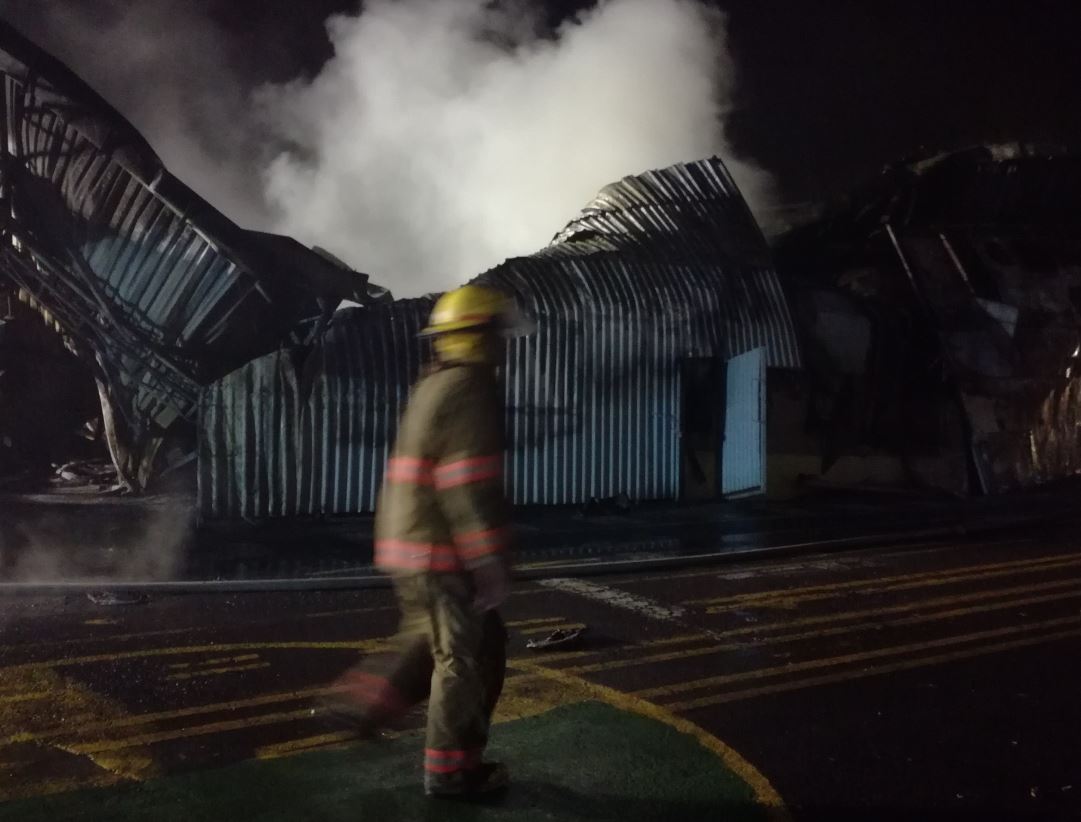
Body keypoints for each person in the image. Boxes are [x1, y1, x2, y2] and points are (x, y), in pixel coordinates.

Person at [327, 284, 523, 799]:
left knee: (446, 637)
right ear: (478, 337)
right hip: (439, 550)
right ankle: (450, 771)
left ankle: (367, 701)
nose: (504, 342)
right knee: (464, 657)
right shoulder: (469, 388)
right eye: (496, 333)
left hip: (408, 544)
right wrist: (487, 561)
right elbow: (466, 483)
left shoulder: (434, 383)